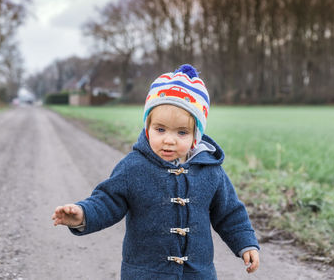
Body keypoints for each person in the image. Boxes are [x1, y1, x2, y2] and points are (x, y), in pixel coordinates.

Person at [52, 64, 260, 279]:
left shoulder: (210, 171)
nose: (169, 140)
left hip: (198, 274)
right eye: (160, 129)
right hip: (145, 274)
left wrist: (246, 244)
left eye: (181, 132)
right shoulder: (134, 167)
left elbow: (229, 213)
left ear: (195, 136)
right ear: (147, 127)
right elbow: (107, 201)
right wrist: (83, 215)